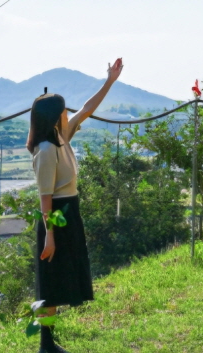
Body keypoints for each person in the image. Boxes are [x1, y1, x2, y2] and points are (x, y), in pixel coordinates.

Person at [28, 58, 123, 352]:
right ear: (55, 116)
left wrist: (109, 81)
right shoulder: (45, 150)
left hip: (70, 213)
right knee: (50, 285)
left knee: (58, 283)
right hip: (55, 218)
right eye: (64, 111)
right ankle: (45, 344)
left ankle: (48, 342)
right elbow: (46, 198)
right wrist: (51, 236)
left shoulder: (60, 137)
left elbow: (87, 109)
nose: (69, 114)